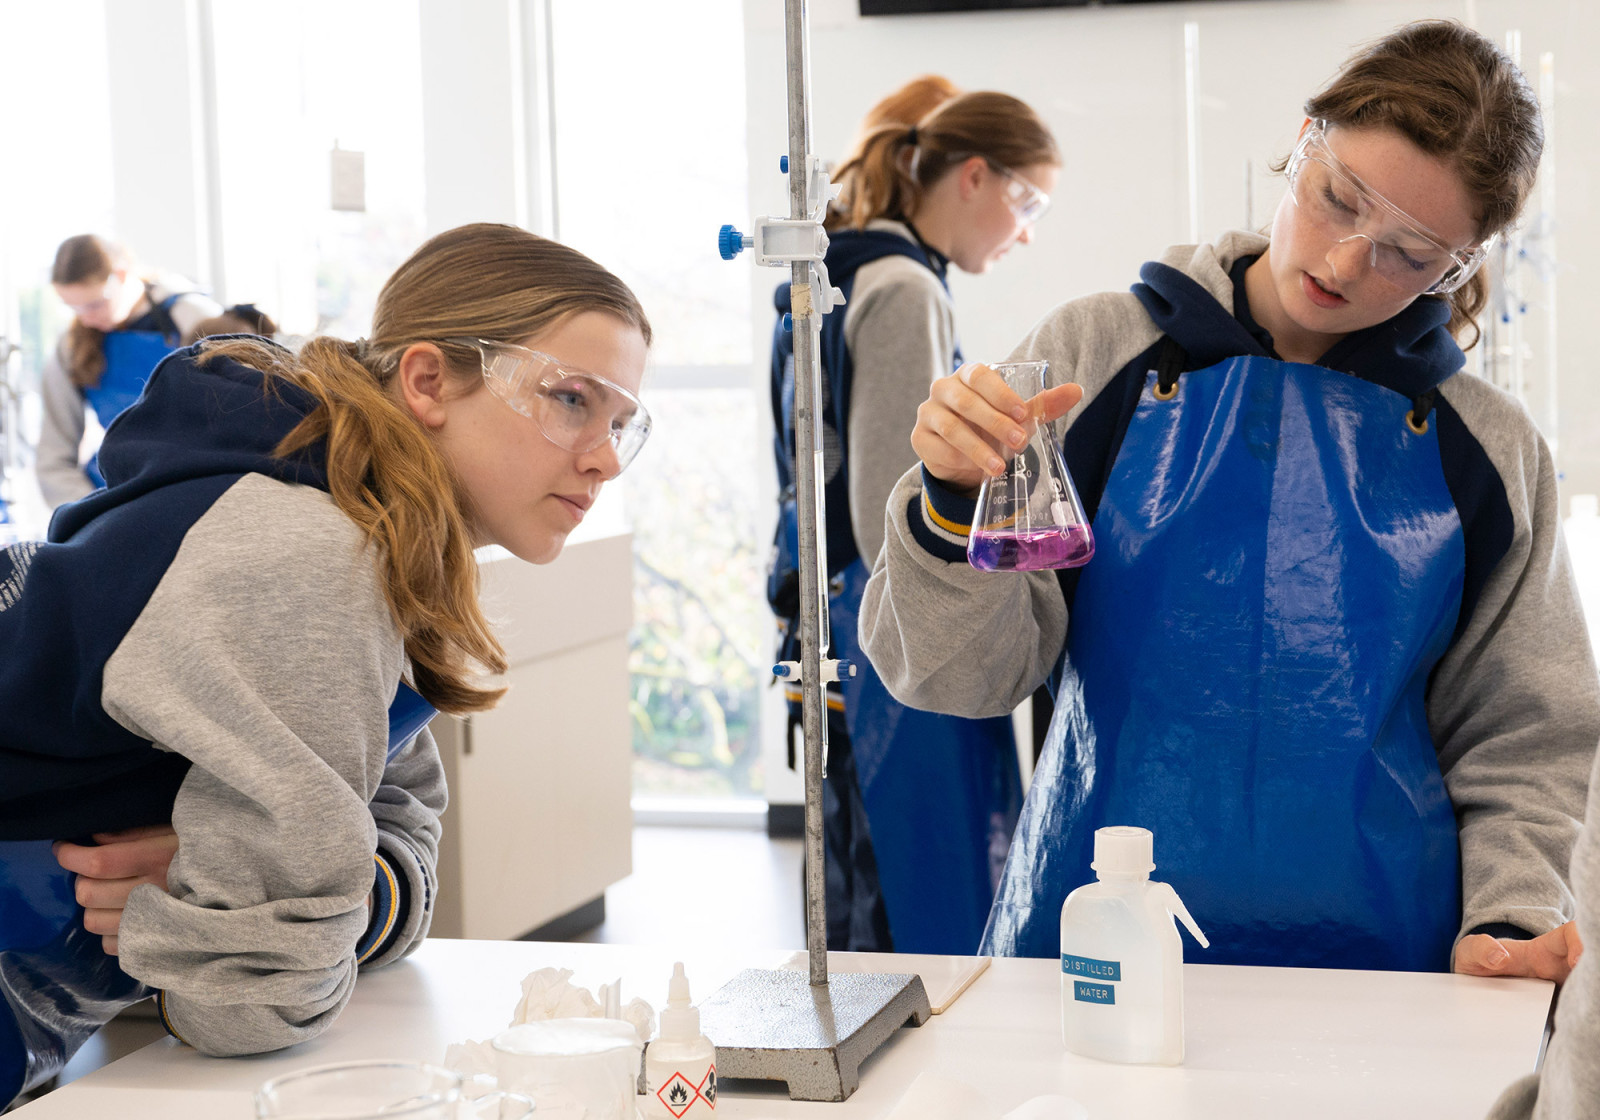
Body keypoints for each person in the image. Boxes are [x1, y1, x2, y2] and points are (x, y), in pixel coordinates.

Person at [859, 20, 1598, 974]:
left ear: (1461, 266)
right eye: (1337, 200)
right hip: (1095, 956)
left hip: (1392, 982)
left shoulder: (1487, 447)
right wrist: (954, 504)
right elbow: (958, 680)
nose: (1344, 264)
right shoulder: (1092, 361)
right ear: (1302, 145)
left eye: (1411, 254)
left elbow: (1528, 741)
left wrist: (1510, 920)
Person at [0, 222, 652, 1105]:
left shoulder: (386, 535)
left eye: (622, 424)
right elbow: (251, 1002)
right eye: (571, 399)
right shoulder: (310, 552)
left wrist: (273, 892)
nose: (605, 459)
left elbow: (396, 825)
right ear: (427, 380)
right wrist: (250, 913)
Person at [769, 78, 1059, 954]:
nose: (1026, 231)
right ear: (974, 176)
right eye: (1027, 202)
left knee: (859, 894)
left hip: (826, 622)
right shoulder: (904, 290)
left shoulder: (837, 270)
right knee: (923, 912)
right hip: (884, 641)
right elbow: (885, 513)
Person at [37, 234, 224, 508]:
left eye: (94, 304)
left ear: (121, 275)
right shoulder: (69, 347)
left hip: (196, 489)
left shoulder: (194, 317)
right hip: (114, 495)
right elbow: (54, 460)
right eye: (74, 308)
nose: (86, 318)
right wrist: (92, 513)